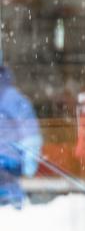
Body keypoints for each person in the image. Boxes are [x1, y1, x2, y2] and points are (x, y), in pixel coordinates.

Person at [0, 65, 43, 207]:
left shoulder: (10, 97)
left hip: (7, 161)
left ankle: (13, 206)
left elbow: (28, 127)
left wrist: (30, 151)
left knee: (8, 197)